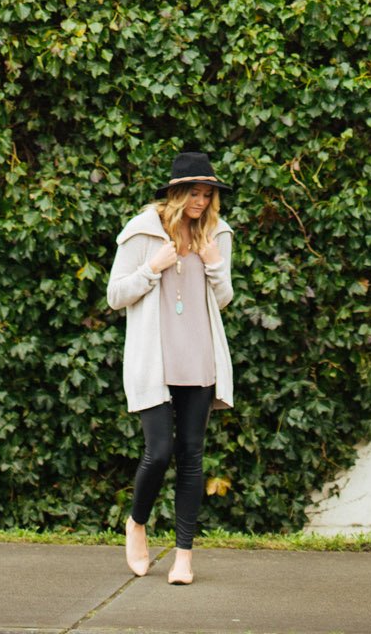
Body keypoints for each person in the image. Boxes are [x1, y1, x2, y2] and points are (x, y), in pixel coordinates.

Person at [107, 149, 234, 586]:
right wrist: (152, 268)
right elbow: (115, 294)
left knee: (192, 458)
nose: (201, 202)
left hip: (199, 359)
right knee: (158, 452)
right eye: (195, 193)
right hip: (154, 361)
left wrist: (215, 264)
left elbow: (221, 300)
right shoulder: (141, 232)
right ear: (177, 192)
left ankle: (184, 557)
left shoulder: (217, 233)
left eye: (208, 194)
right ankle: (137, 523)